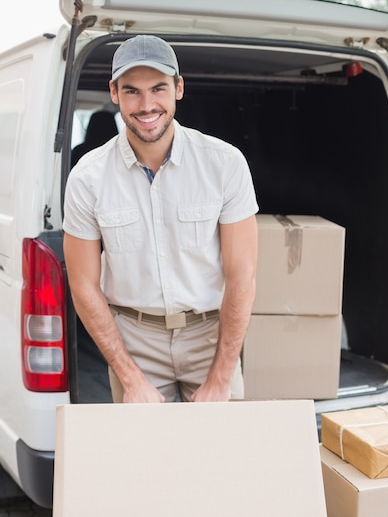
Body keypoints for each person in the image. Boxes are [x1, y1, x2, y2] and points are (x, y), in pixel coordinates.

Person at [63, 35, 258, 403]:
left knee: (222, 457)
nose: (147, 105)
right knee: (147, 459)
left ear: (178, 88)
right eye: (132, 91)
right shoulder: (87, 177)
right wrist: (131, 378)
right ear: (115, 93)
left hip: (210, 338)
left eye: (158, 88)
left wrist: (221, 377)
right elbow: (84, 287)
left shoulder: (225, 164)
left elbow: (242, 277)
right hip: (134, 342)